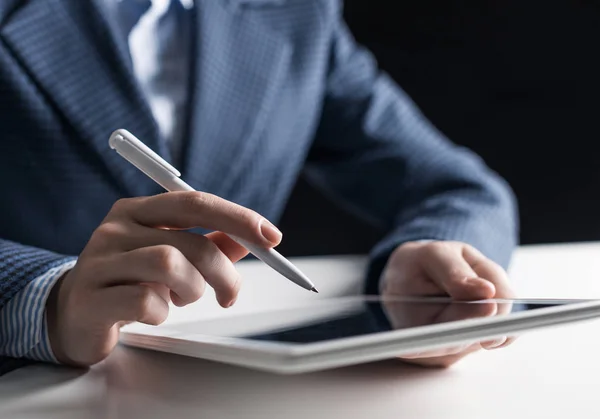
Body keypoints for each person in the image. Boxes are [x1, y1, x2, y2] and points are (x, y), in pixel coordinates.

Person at [0, 0, 517, 374]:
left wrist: (431, 254)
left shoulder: (296, 14)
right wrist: (49, 299)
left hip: (238, 388)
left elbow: (460, 189)